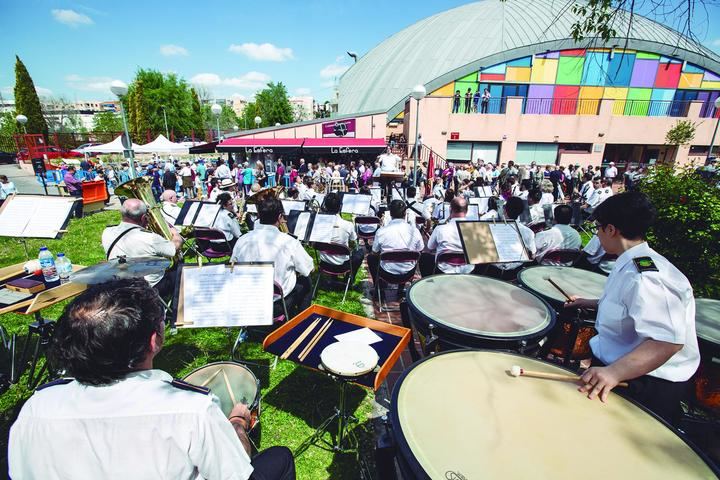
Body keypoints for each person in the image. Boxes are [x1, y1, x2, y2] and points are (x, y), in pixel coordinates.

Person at [9, 279, 295, 479]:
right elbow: (235, 472)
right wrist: (238, 423)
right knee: (280, 458)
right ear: (154, 340)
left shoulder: (37, 407)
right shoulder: (192, 410)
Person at [564, 192, 699, 425]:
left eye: (598, 227)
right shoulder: (631, 261)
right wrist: (590, 302)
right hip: (621, 372)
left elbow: (668, 341)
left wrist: (614, 373)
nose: (596, 233)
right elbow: (630, 308)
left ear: (611, 229)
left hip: (642, 383)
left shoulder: (648, 277)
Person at [231, 195, 314, 317]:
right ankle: (302, 320)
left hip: (248, 302)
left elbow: (232, 269)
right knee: (306, 281)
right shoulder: (289, 242)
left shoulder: (242, 240)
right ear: (280, 217)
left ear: (259, 216)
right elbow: (309, 269)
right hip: (275, 306)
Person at [102, 199, 182, 298]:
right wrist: (175, 234)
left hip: (120, 285)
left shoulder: (107, 232)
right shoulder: (151, 238)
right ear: (144, 217)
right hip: (148, 288)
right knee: (180, 270)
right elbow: (174, 249)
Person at [367, 199, 424, 287]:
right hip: (408, 273)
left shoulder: (381, 231)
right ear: (405, 214)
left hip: (387, 273)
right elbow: (420, 250)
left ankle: (379, 290)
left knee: (371, 258)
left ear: (390, 214)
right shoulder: (414, 231)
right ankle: (400, 290)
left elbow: (374, 252)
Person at [420, 196, 474, 276]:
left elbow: (430, 247)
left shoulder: (440, 229)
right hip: (468, 270)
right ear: (467, 211)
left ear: (450, 210)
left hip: (444, 270)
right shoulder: (476, 230)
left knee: (424, 257)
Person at [318, 193, 364, 284]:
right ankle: (349, 279)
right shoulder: (348, 225)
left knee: (332, 248)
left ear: (325, 206)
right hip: (342, 265)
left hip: (324, 263)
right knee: (360, 253)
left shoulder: (319, 224)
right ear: (340, 207)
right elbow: (354, 241)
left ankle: (334, 277)